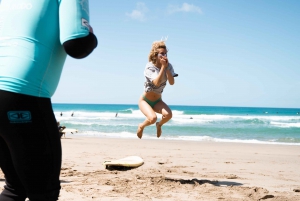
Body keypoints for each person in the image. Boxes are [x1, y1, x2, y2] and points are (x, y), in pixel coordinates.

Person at [0, 0, 97, 200]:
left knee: (15, 187)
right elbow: (77, 44)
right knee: (43, 192)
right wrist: (90, 36)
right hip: (22, 92)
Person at [137, 40, 177, 139]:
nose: (164, 55)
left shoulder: (168, 66)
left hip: (158, 100)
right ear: (156, 55)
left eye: (165, 53)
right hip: (145, 100)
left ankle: (159, 125)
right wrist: (163, 67)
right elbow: (156, 82)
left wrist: (167, 68)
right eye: (161, 53)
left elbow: (172, 82)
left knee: (168, 115)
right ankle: (141, 126)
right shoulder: (150, 66)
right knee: (152, 118)